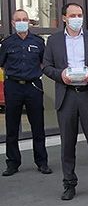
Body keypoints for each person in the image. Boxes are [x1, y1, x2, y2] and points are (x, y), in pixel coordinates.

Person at [42, 3, 88, 201]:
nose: (76, 18)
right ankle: (69, 184)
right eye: (72, 15)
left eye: (79, 15)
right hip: (67, 96)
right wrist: (60, 74)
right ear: (64, 17)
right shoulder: (54, 41)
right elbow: (46, 66)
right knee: (67, 143)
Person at [0, 9, 51, 176]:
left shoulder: (38, 42)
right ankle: (13, 163)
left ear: (29, 22)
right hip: (13, 87)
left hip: (33, 87)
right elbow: (2, 63)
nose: (22, 22)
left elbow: (45, 62)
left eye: (24, 19)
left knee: (38, 126)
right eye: (18, 20)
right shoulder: (7, 43)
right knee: (12, 126)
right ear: (13, 23)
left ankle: (42, 162)